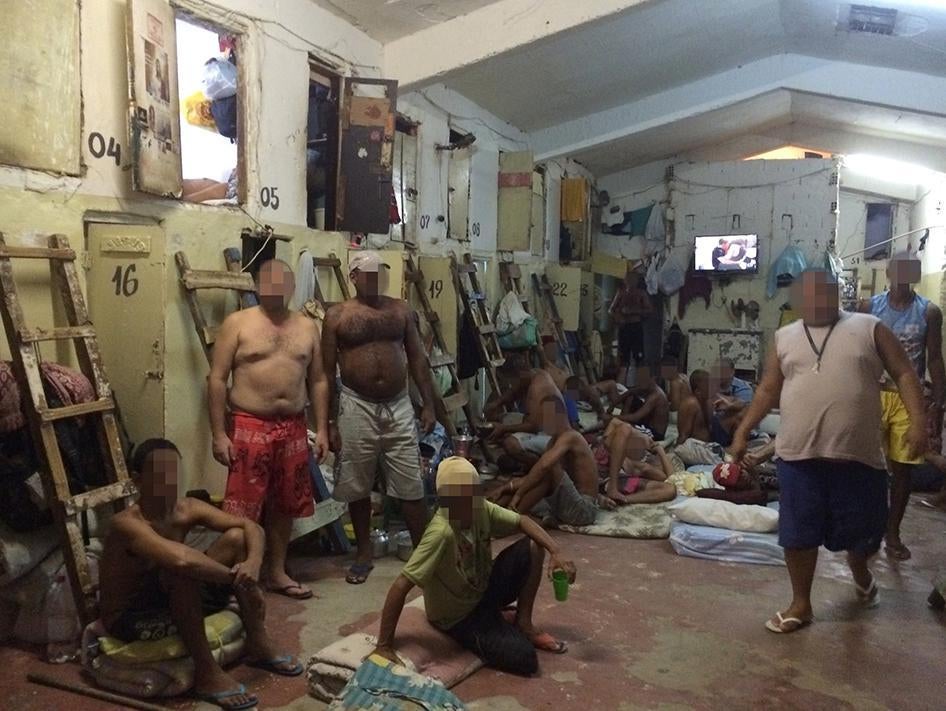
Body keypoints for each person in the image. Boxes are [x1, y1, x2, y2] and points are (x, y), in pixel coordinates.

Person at [730, 269, 927, 634]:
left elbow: (904, 374)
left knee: (865, 531)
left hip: (858, 458)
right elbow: (767, 390)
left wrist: (919, 423)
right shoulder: (785, 337)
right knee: (798, 533)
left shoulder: (870, 328)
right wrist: (743, 432)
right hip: (798, 458)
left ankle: (860, 569)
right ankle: (801, 603)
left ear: (837, 296)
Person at [100, 440, 303, 711]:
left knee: (237, 538)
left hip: (169, 595)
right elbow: (181, 560)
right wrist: (240, 581)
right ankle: (206, 673)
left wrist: (253, 565)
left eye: (174, 472)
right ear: (138, 481)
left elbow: (250, 526)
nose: (170, 481)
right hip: (134, 616)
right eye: (160, 474)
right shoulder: (127, 523)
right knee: (181, 572)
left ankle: (258, 641)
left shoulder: (186, 508)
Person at [371, 457, 577, 675]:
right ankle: (495, 623)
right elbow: (401, 585)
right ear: (445, 501)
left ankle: (524, 623)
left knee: (535, 547)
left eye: (472, 495)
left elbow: (522, 521)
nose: (468, 504)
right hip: (460, 617)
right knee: (526, 660)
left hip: (483, 589)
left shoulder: (481, 508)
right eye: (458, 499)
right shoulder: (441, 533)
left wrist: (556, 551)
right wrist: (383, 645)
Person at [208, 259, 329, 600]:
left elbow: (318, 380)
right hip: (248, 425)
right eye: (268, 280)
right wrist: (219, 433)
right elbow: (217, 380)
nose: (276, 286)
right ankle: (237, 575)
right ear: (258, 285)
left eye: (282, 280)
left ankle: (275, 571)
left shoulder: (307, 327)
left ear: (291, 285)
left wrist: (321, 430)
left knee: (284, 504)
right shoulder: (238, 324)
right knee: (243, 505)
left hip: (293, 426)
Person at [322, 250, 436, 585]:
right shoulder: (337, 316)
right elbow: (326, 372)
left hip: (399, 403)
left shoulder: (400, 310)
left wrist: (427, 404)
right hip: (356, 404)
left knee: (410, 482)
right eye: (367, 274)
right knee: (357, 481)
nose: (374, 280)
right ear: (354, 276)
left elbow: (417, 359)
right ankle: (363, 553)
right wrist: (329, 422)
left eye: (378, 274)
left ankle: (423, 553)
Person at [859, 251, 945, 560]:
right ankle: (868, 527)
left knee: (903, 469)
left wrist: (938, 404)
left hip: (909, 399)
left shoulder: (928, 313)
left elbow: (934, 358)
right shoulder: (870, 307)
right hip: (872, 393)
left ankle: (892, 532)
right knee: (866, 465)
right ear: (889, 273)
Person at [485, 356, 568, 469]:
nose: (511, 384)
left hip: (555, 438)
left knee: (510, 443)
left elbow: (533, 426)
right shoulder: (534, 374)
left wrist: (503, 428)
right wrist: (497, 404)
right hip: (544, 428)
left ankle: (544, 470)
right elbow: (514, 392)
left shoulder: (536, 389)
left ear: (519, 375)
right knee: (502, 419)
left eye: (511, 381)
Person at [602, 419, 677, 504]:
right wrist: (643, 437)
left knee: (670, 490)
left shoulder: (643, 467)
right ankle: (613, 489)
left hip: (616, 480)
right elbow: (614, 422)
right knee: (624, 429)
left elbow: (673, 479)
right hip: (603, 465)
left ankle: (621, 499)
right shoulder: (620, 441)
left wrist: (661, 452)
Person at [609, 271, 652, 386]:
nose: (630, 281)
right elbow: (611, 310)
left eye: (633, 279)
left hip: (636, 327)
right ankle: (620, 389)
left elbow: (649, 310)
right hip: (624, 328)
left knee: (640, 359)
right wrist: (619, 318)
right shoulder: (621, 292)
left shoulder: (641, 293)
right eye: (628, 279)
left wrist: (634, 311)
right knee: (624, 360)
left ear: (637, 281)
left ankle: (643, 387)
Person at [615, 364, 670, 441]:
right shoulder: (647, 388)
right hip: (645, 425)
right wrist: (612, 406)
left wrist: (613, 417)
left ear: (653, 378)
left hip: (654, 433)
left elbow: (635, 417)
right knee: (630, 397)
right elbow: (630, 392)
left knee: (622, 427)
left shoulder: (655, 396)